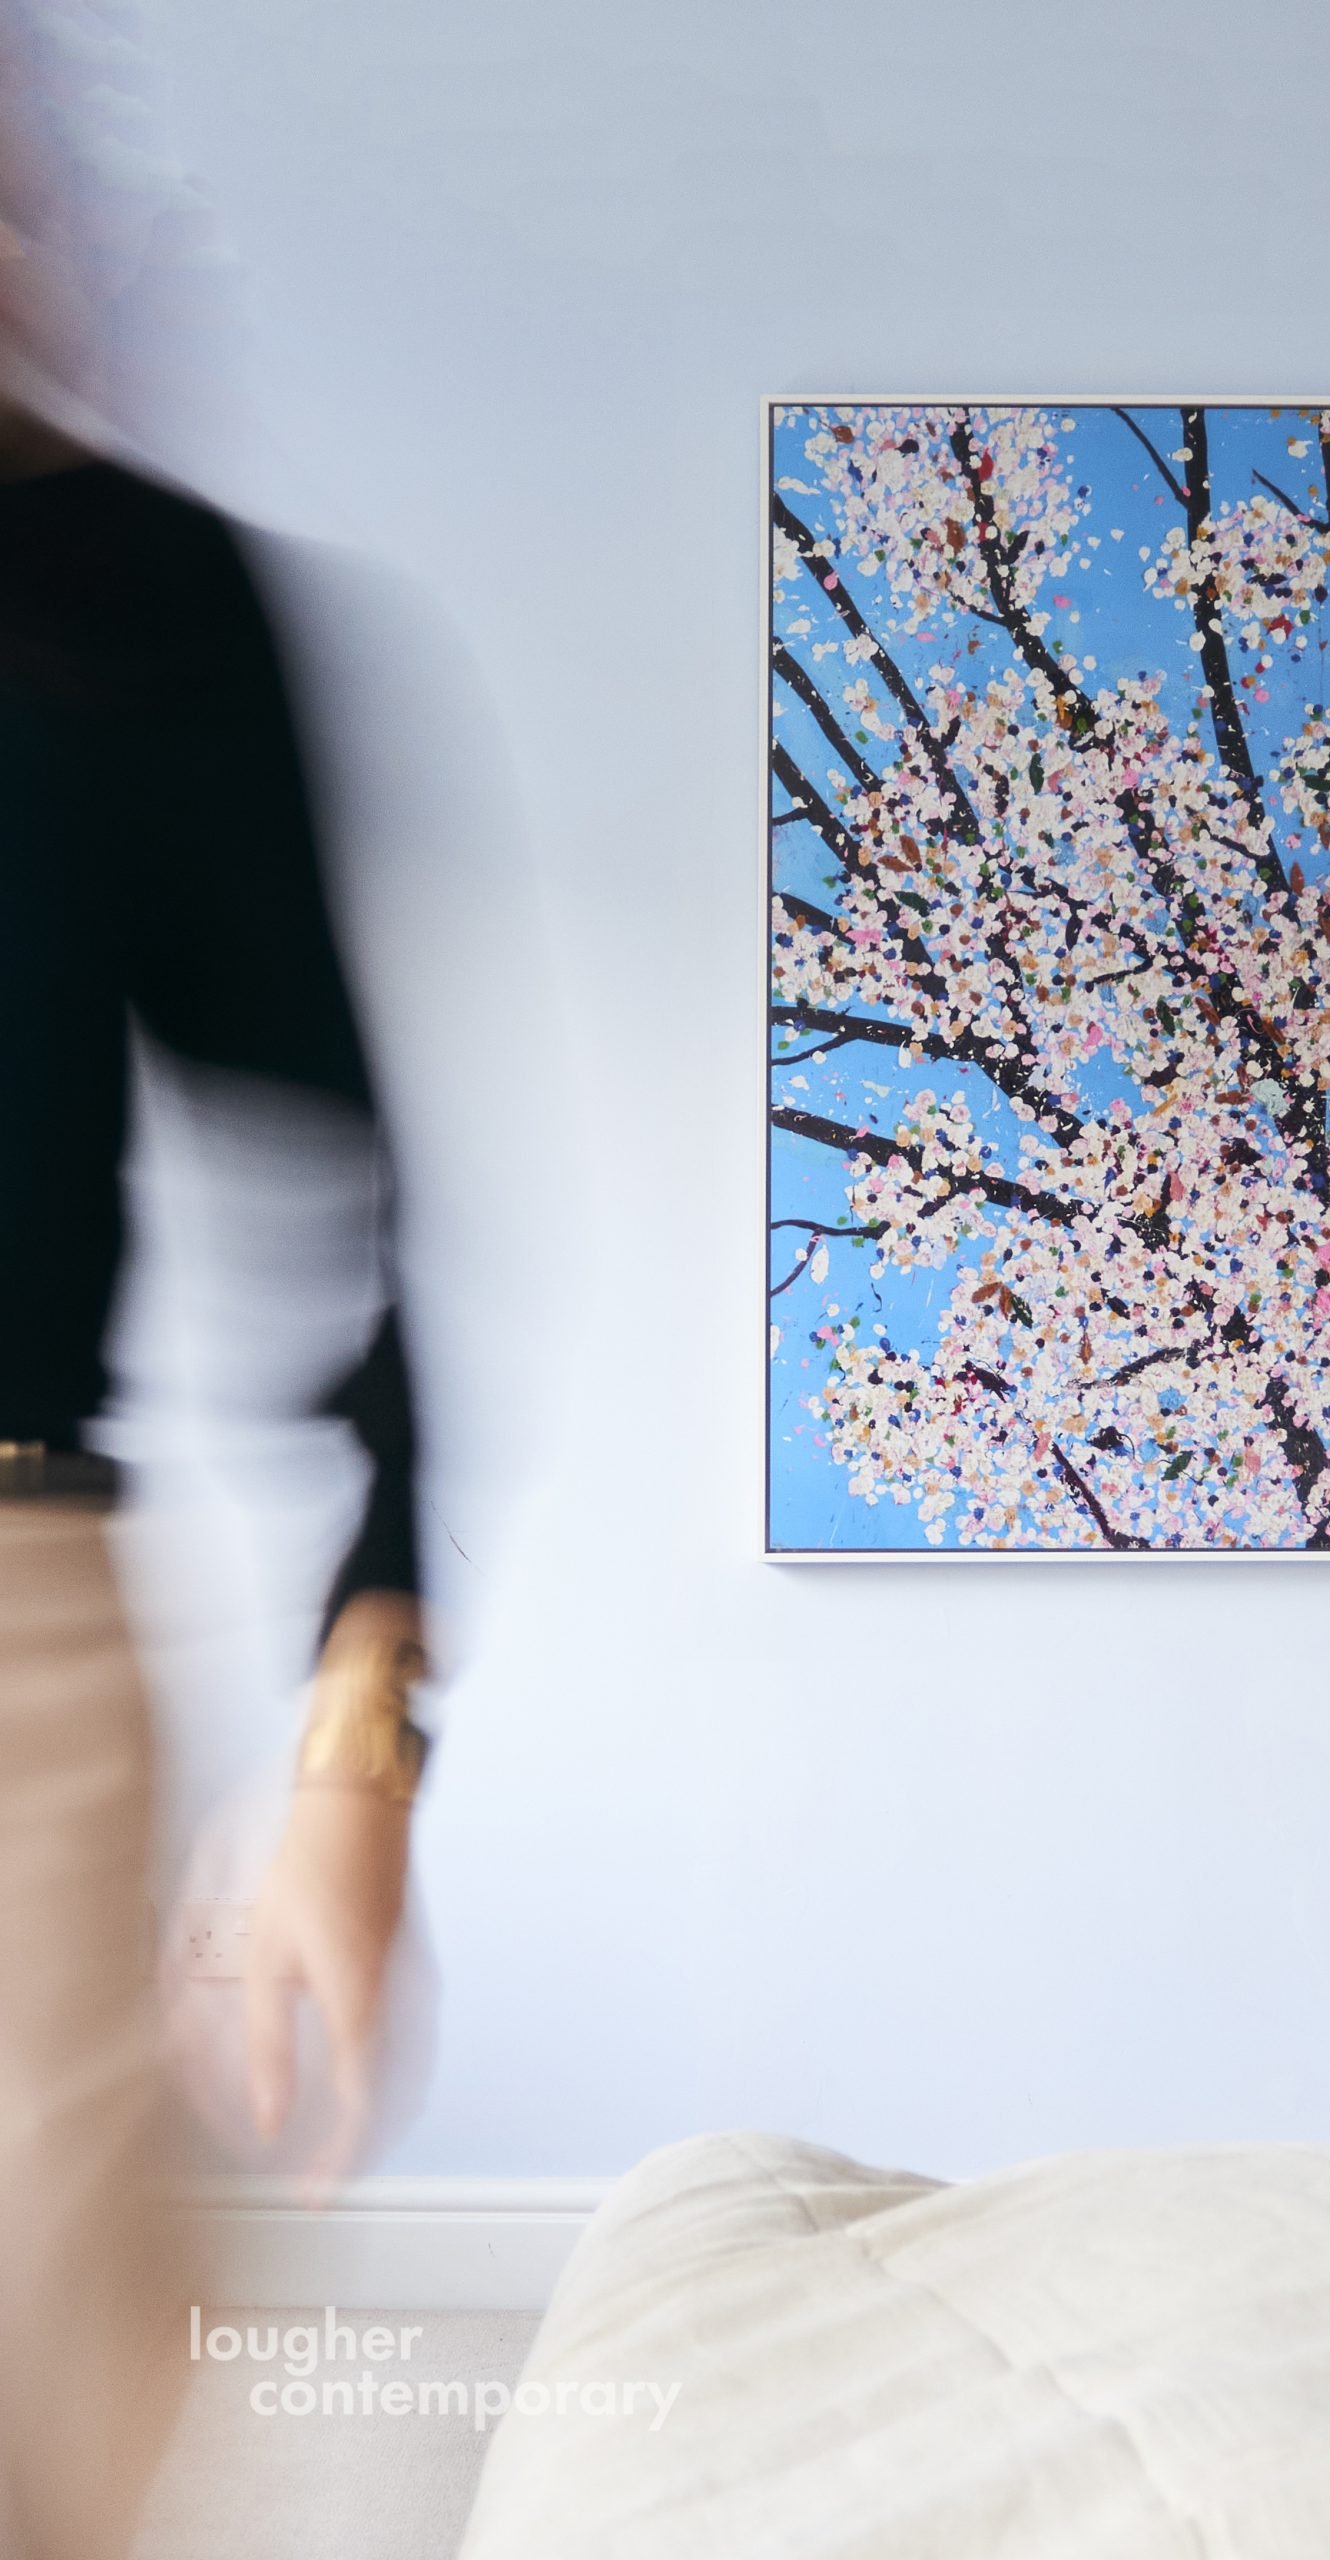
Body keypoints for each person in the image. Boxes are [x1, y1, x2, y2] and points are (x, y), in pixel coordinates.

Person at [0, 394, 431, 2556]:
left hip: (16, 1658)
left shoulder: (116, 591)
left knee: (57, 2414)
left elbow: (348, 1239)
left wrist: (356, 1761)